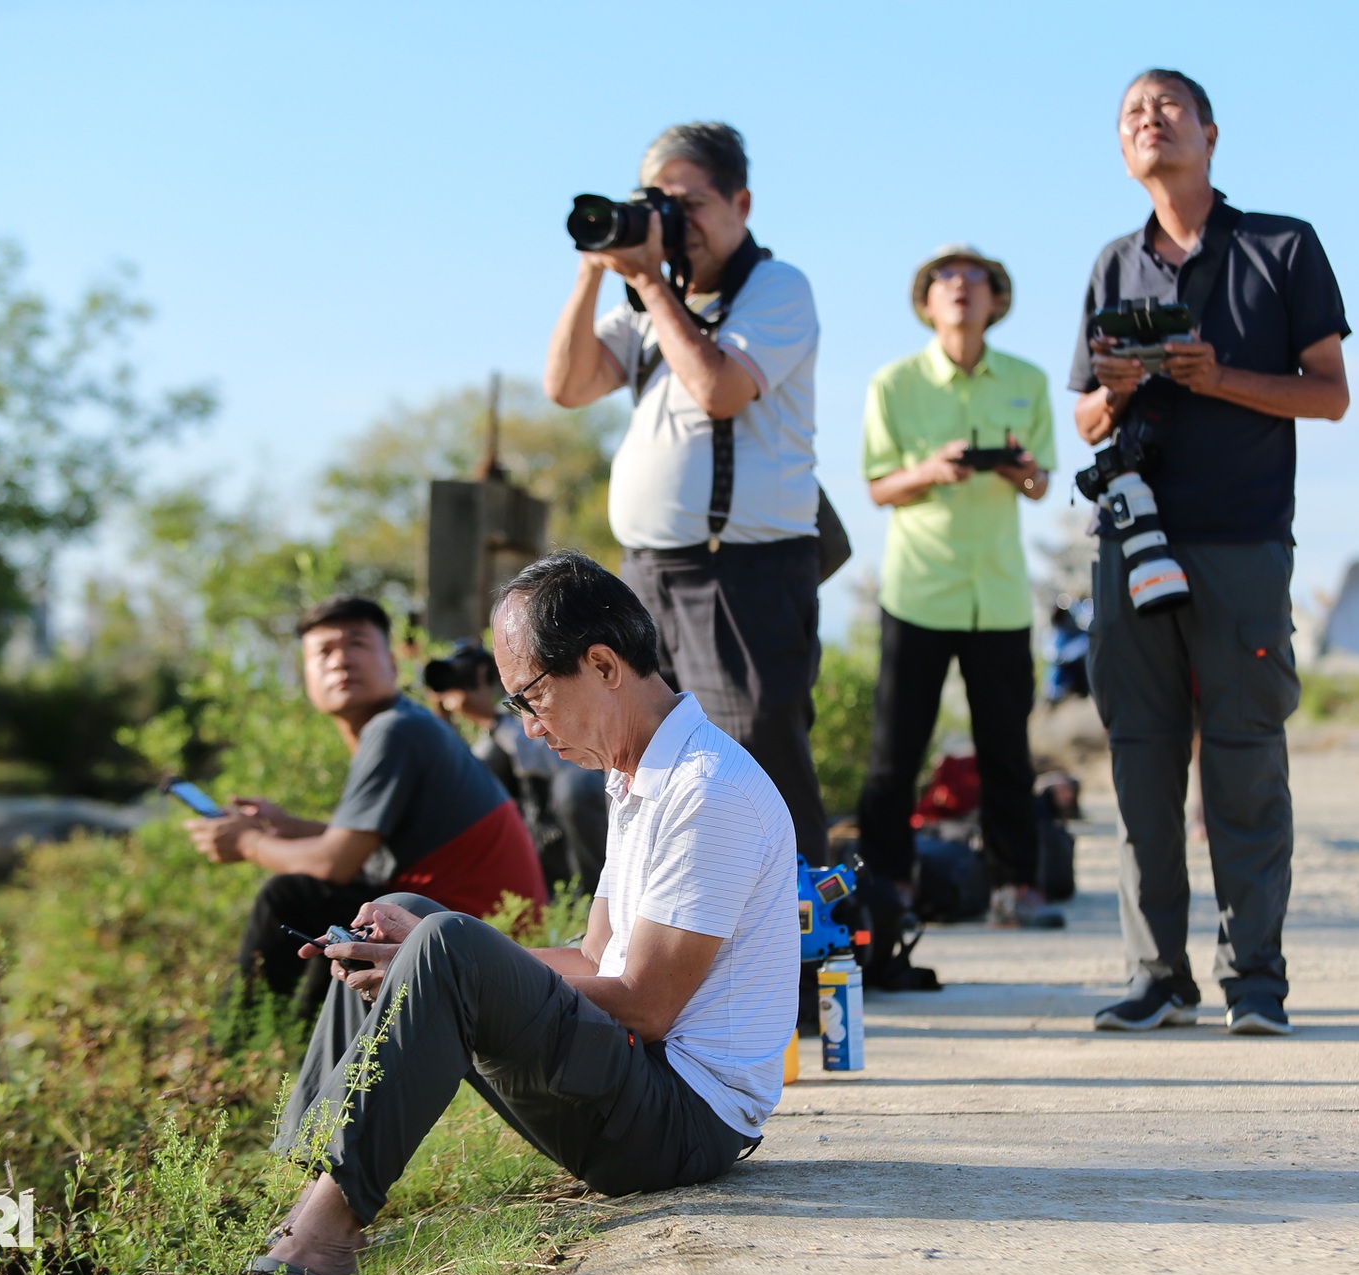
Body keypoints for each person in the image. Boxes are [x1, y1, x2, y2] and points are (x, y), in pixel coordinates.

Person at [249, 552, 799, 1275]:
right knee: (402, 916)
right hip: (638, 1082)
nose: (528, 727)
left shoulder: (708, 791)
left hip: (682, 1123)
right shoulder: (637, 773)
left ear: (603, 666)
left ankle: (329, 1232)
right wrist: (427, 955)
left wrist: (447, 959)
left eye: (530, 697)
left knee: (439, 939)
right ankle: (306, 1186)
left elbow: (647, 1005)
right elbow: (592, 958)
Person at [1069, 70, 1350, 1036]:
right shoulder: (1112, 265)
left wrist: (1217, 376)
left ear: (1211, 133)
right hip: (1131, 539)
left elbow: (1330, 394)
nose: (1152, 121)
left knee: (1243, 757)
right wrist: (1119, 392)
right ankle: (1158, 974)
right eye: (1133, 115)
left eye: (1169, 108)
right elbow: (1085, 418)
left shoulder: (1282, 246)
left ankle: (1256, 979)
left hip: (1241, 541)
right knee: (1140, 760)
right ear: (1122, 149)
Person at [544, 121, 829, 865]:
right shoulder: (650, 298)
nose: (676, 221)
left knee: (757, 766)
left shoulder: (776, 288)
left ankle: (799, 972)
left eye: (692, 203)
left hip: (742, 572)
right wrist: (595, 268)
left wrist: (644, 280)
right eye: (658, 203)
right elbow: (567, 385)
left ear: (742, 202)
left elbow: (720, 388)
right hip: (646, 574)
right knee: (646, 766)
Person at [184, 595, 547, 1015]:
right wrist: (290, 828)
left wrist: (248, 843)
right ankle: (292, 1044)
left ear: (392, 665)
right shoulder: (406, 723)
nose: (341, 660)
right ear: (306, 676)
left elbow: (337, 863)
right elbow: (373, 844)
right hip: (475, 927)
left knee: (295, 896)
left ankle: (238, 1043)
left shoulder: (395, 731)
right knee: (339, 909)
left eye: (357, 644)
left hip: (478, 938)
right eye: (324, 651)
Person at [857, 244, 1061, 929]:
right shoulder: (892, 384)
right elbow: (879, 486)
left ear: (998, 300)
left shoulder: (1029, 380)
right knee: (896, 751)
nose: (961, 287)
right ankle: (888, 888)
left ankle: (1017, 888)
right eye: (945, 278)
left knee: (1008, 748)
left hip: (998, 594)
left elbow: (1041, 485)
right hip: (918, 590)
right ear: (925, 303)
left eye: (977, 278)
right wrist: (930, 471)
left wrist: (1020, 474)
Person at [429, 640, 609, 889]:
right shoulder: (491, 736)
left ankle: (595, 895)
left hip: (575, 829)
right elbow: (465, 790)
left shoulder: (530, 704)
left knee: (574, 785)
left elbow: (554, 762)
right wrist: (443, 724)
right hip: (538, 841)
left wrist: (493, 721)